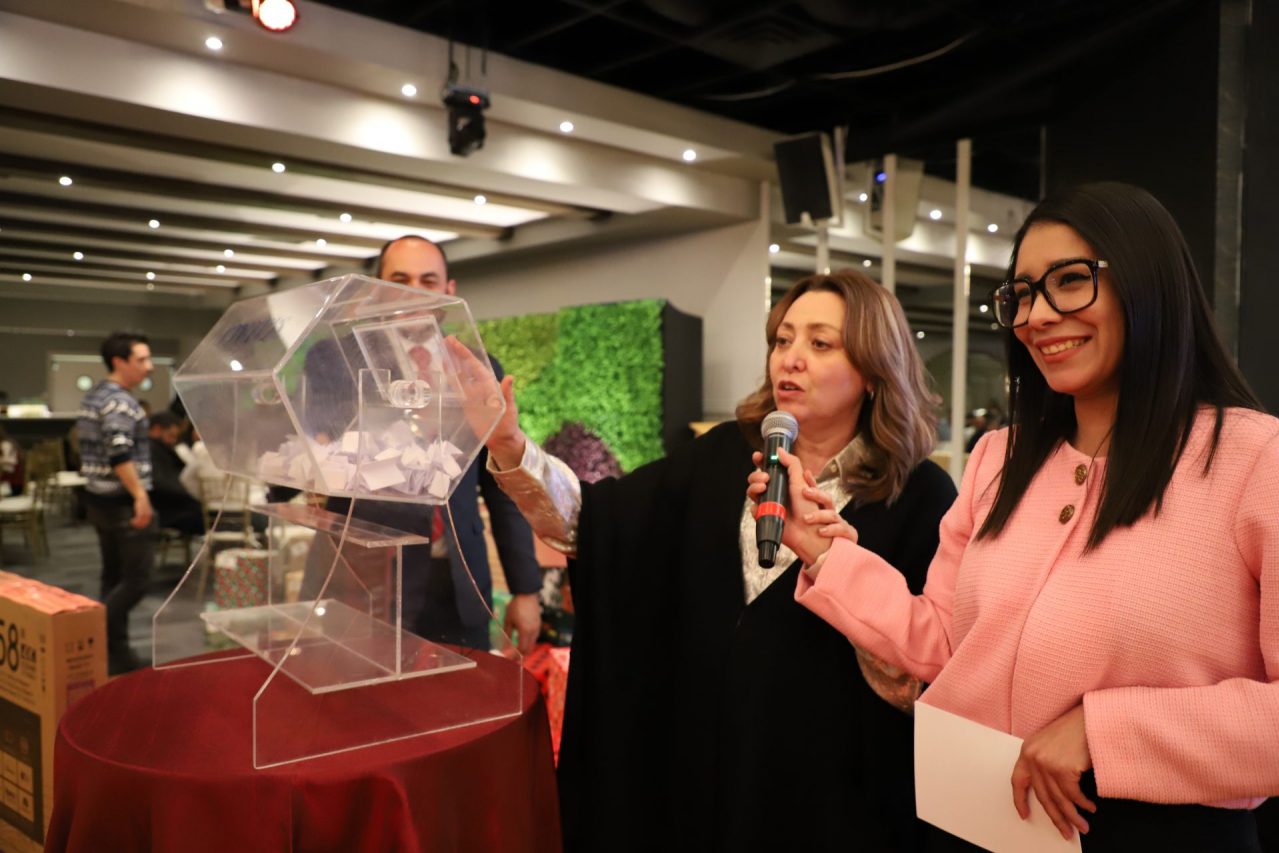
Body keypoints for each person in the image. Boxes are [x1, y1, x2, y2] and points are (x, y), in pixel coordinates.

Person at [768, 182, 1276, 851]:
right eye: (1024, 294)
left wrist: (1104, 730)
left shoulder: (1253, 460)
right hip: (978, 822)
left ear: (1148, 282)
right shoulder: (998, 459)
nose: (1037, 315)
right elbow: (945, 642)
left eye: (1071, 281)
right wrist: (825, 552)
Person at [455, 270, 957, 852]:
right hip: (696, 772)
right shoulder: (723, 454)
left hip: (824, 794)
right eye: (783, 339)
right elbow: (593, 525)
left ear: (873, 371)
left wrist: (832, 562)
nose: (791, 358)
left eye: (820, 343)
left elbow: (921, 677)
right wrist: (510, 445)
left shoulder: (920, 496)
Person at [304, 235, 542, 653]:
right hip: (370, 576)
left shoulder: (477, 366)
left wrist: (526, 589)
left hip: (459, 577)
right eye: (399, 280)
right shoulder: (335, 359)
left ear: (449, 290)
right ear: (375, 289)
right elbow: (326, 449)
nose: (414, 291)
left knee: (463, 690)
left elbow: (502, 480)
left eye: (428, 281)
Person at [78, 331, 155, 674]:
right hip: (121, 501)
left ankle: (115, 655)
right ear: (119, 362)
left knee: (113, 576)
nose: (149, 367)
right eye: (141, 360)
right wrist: (140, 495)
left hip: (98, 500)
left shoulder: (96, 395)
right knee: (137, 579)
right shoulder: (120, 401)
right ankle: (93, 632)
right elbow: (119, 451)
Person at [146, 411, 204, 536]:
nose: (173, 441)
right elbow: (161, 483)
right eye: (171, 436)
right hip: (169, 511)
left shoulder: (159, 449)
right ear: (157, 429)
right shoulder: (151, 450)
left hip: (176, 505)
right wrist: (190, 494)